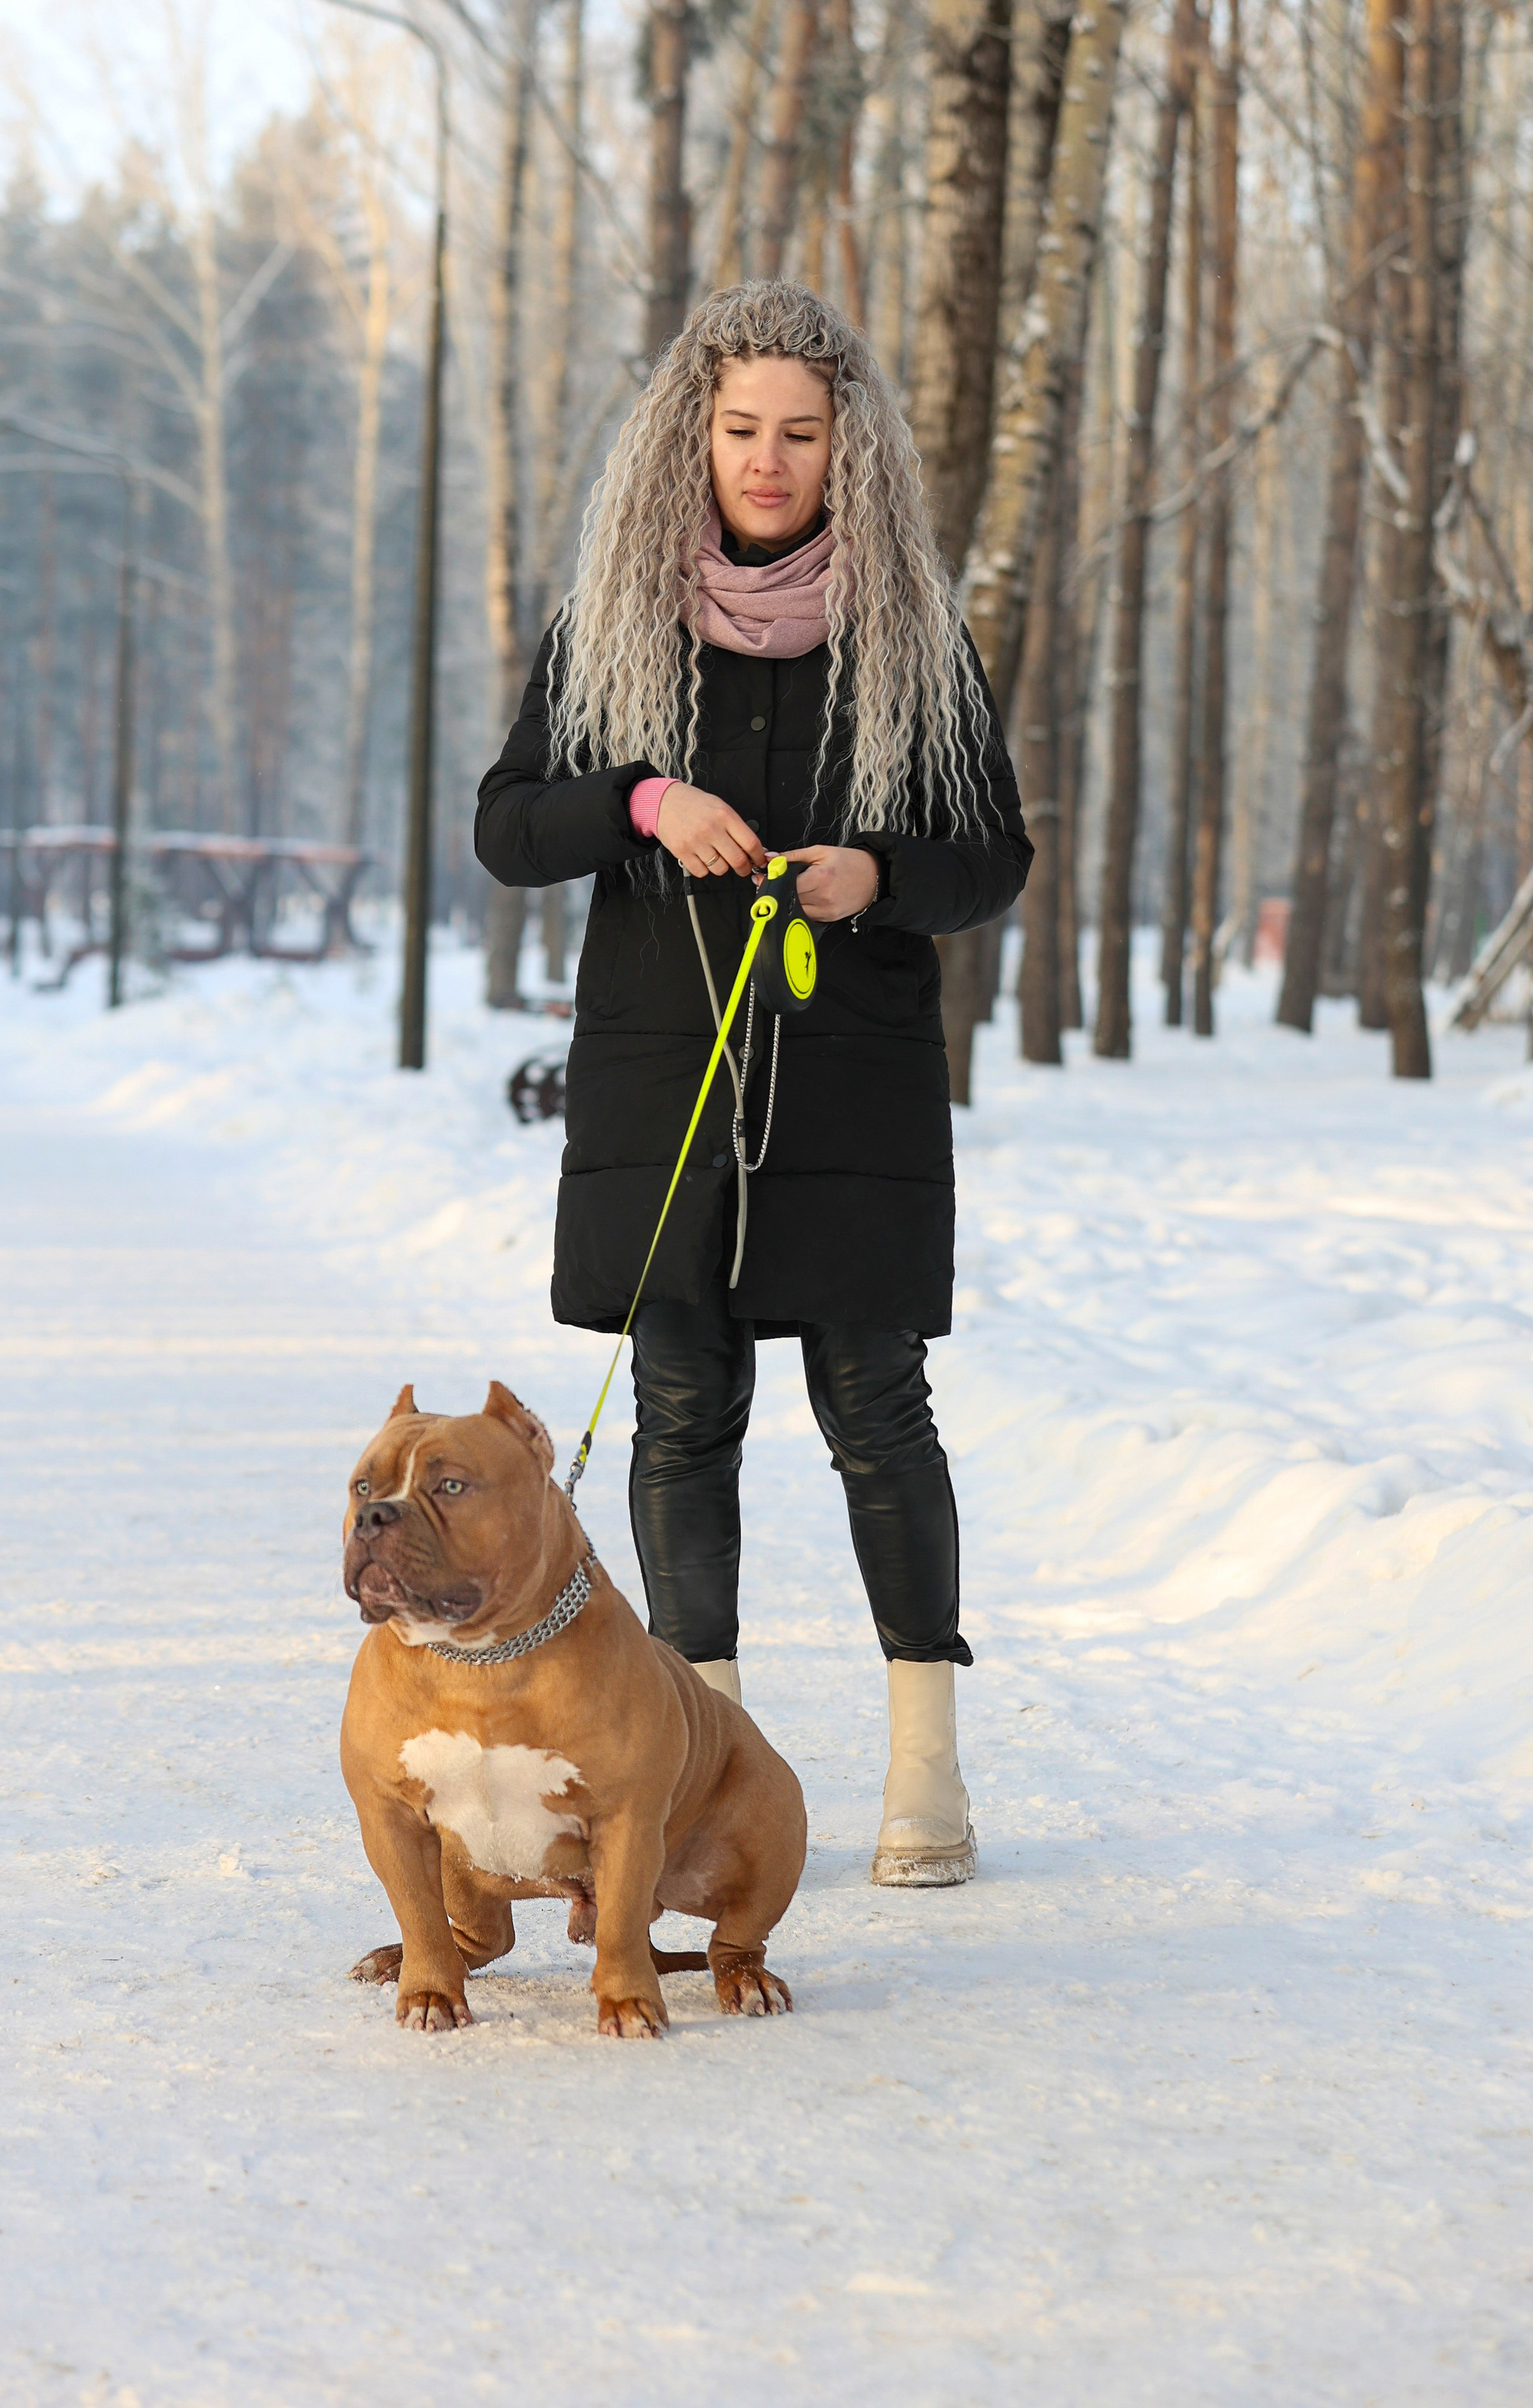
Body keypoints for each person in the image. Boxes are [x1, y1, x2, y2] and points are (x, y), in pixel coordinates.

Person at [476, 281, 1029, 1886]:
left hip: (851, 1084)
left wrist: (877, 874)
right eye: (740, 430)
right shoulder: (612, 624)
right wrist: (641, 801)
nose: (769, 461)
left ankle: (924, 1771)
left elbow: (991, 856)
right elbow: (508, 827)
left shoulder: (911, 638)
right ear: (693, 437)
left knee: (878, 1412)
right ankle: (697, 1771)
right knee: (679, 1415)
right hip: (662, 1080)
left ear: (848, 449)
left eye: (799, 433)